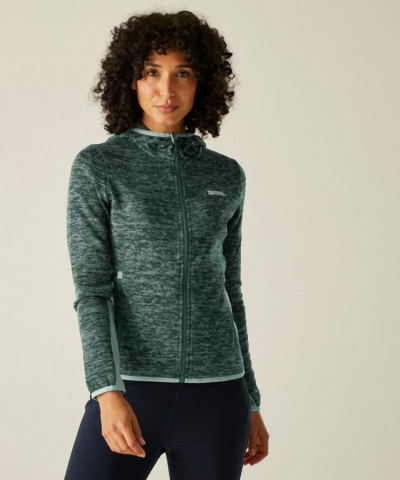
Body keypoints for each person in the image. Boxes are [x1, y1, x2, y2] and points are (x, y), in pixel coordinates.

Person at [64, 10, 269, 480]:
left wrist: (252, 401)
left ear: (202, 83)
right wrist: (106, 390)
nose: (166, 91)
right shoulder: (99, 167)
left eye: (183, 74)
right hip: (132, 389)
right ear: (131, 81)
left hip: (220, 396)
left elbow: (230, 290)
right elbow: (92, 290)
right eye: (152, 73)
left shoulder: (226, 175)